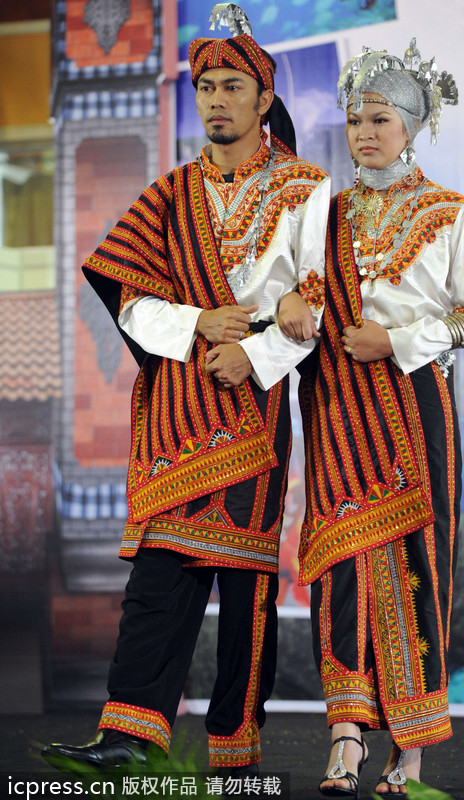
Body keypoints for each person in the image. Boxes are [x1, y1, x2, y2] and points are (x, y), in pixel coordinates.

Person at [42, 3, 329, 775]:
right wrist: (203, 323)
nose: (214, 100)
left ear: (263, 99)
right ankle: (127, 737)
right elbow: (128, 296)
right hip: (178, 415)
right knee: (159, 580)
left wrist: (257, 354)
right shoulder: (169, 193)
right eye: (204, 86)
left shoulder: (307, 189)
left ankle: (235, 754)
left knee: (244, 590)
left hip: (254, 415)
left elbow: (321, 296)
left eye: (231, 85)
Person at [278, 39, 464, 797]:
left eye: (378, 118)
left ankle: (410, 751)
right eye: (352, 120)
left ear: (410, 125)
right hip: (338, 407)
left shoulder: (450, 212)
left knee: (416, 572)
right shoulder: (322, 217)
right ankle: (345, 737)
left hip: (415, 412)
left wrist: (397, 340)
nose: (363, 132)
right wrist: (293, 307)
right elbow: (293, 294)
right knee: (342, 566)